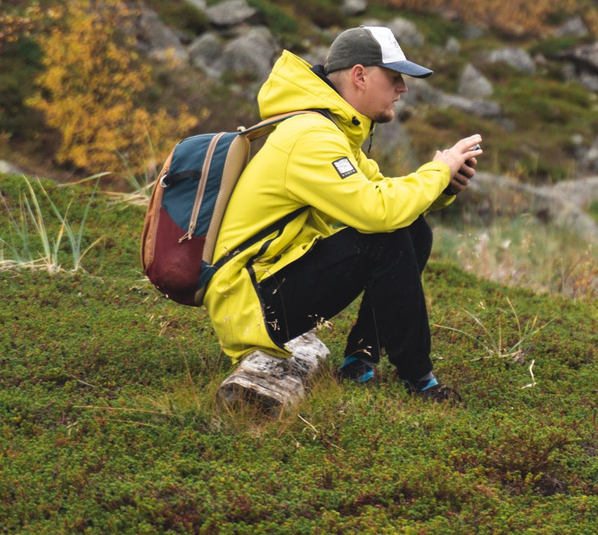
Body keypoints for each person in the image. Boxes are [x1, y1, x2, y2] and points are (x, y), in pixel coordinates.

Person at [203, 25, 483, 411]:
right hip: (252, 304)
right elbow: (378, 212)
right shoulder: (311, 136)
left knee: (411, 230)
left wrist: (443, 187)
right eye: (395, 78)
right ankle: (419, 379)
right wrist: (436, 170)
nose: (402, 89)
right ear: (359, 75)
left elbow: (386, 196)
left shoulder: (329, 130)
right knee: (384, 236)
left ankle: (360, 359)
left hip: (266, 287)